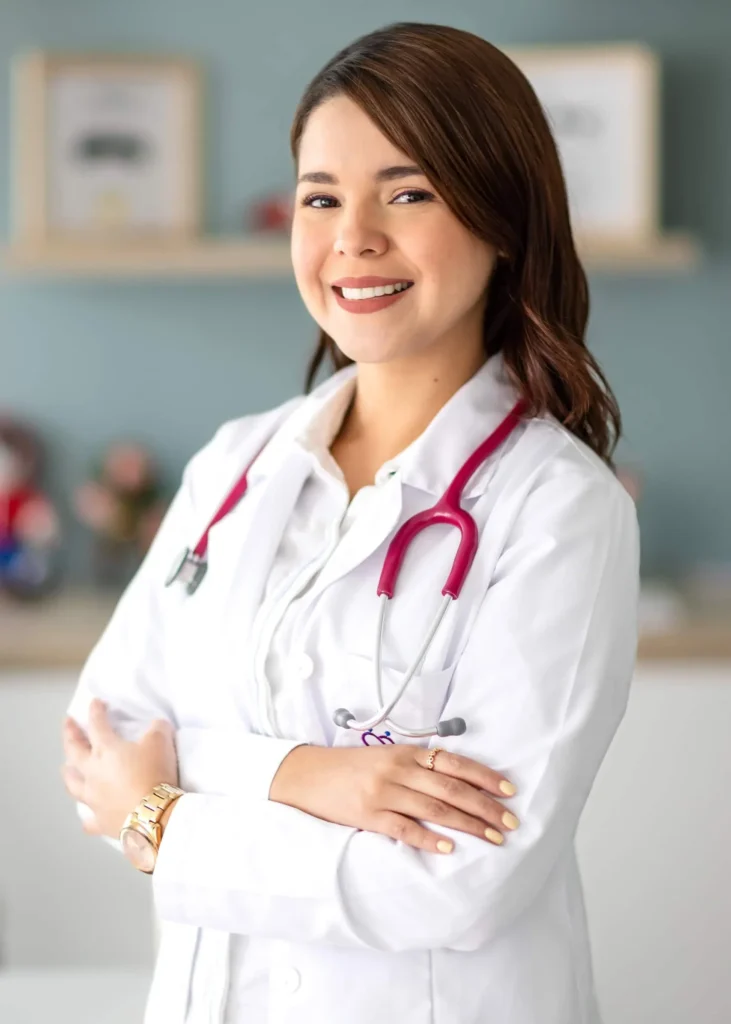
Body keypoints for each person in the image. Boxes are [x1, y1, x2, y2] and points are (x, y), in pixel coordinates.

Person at [61, 21, 640, 1024]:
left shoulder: (559, 510)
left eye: (406, 192)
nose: (351, 237)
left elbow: (456, 879)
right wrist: (309, 775)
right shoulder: (236, 465)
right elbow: (100, 738)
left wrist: (164, 818)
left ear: (500, 215)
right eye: (320, 196)